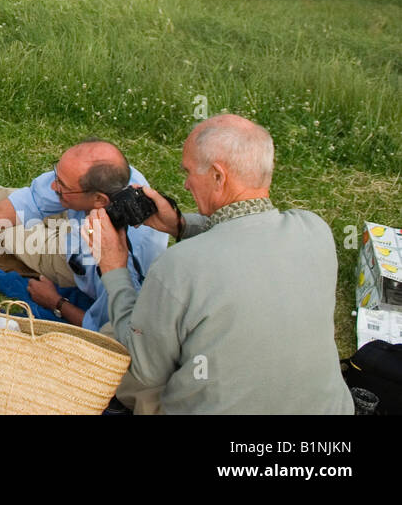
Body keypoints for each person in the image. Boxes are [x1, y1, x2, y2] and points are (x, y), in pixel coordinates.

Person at [89, 114, 353, 414]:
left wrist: (113, 267)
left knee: (114, 339)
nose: (186, 184)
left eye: (188, 171)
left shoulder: (178, 266)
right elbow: (247, 236)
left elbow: (143, 368)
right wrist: (179, 225)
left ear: (218, 175)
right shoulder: (314, 229)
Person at [0, 140, 167, 332]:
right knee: (12, 198)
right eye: (57, 175)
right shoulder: (115, 180)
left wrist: (57, 303)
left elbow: (108, 329)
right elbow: (32, 199)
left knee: (8, 231)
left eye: (62, 184)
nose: (54, 186)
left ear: (100, 200)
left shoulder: (117, 264)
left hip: (75, 258)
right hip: (79, 222)